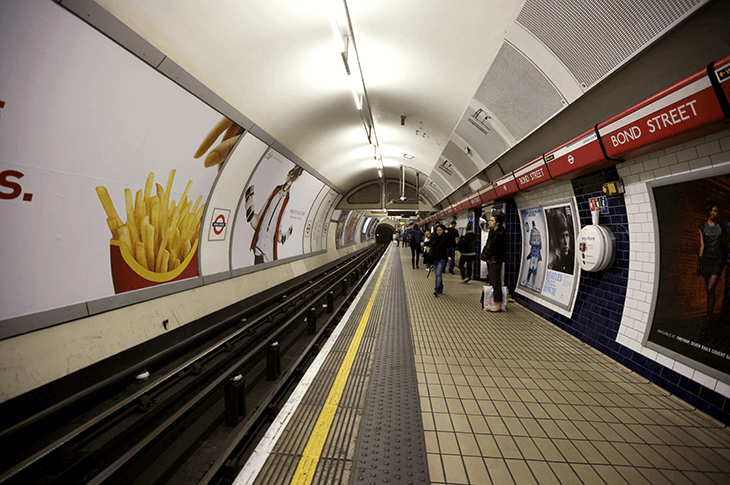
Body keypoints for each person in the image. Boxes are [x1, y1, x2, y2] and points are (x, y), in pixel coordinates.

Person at [245, 165, 303, 264]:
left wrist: (282, 233)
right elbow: (266, 208)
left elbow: (279, 217)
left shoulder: (287, 198)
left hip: (269, 245)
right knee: (258, 264)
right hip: (261, 239)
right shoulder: (277, 190)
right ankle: (249, 202)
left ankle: (282, 237)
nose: (289, 180)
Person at [699, 200, 727, 324]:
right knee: (709, 290)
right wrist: (699, 262)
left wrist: (724, 257)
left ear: (717, 213)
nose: (713, 213)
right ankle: (708, 316)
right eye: (711, 210)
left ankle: (708, 316)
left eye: (715, 211)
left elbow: (725, 243)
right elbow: (702, 245)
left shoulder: (721, 227)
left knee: (711, 288)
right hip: (706, 260)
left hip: (717, 261)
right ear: (707, 211)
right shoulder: (701, 227)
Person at [480, 213, 507, 312]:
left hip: (496, 260)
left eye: (492, 221)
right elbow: (487, 245)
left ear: (498, 223)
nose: (490, 222)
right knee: (492, 281)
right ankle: (493, 300)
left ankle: (498, 304)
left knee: (496, 282)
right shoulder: (492, 232)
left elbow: (493, 248)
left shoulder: (500, 234)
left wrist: (483, 256)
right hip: (490, 259)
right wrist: (483, 254)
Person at [424, 224, 448, 296]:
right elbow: (430, 244)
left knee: (438, 273)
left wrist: (447, 231)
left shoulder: (445, 237)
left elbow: (450, 241)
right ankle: (440, 287)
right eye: (437, 230)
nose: (438, 231)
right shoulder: (434, 237)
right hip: (434, 258)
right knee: (438, 274)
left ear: (443, 230)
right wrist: (427, 246)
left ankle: (437, 289)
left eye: (440, 230)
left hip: (442, 258)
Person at [524, 220, 542, 289]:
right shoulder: (538, 232)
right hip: (537, 252)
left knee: (531, 268)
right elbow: (540, 245)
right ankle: (533, 284)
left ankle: (528, 282)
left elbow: (530, 242)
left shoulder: (532, 231)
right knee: (534, 269)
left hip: (533, 251)